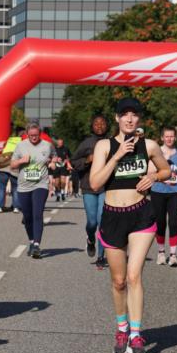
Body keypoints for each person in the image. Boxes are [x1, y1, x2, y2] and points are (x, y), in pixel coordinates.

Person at [89, 97, 170, 353]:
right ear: (117, 118)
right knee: (119, 280)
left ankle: (136, 335)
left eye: (134, 115)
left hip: (141, 215)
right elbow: (95, 183)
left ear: (139, 119)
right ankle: (122, 328)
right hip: (113, 216)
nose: (130, 119)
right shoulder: (104, 146)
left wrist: (154, 176)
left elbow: (166, 170)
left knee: (134, 275)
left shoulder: (149, 145)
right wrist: (117, 155)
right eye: (125, 114)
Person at [72, 114, 110, 269]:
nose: (99, 126)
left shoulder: (111, 142)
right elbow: (74, 162)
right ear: (92, 126)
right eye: (96, 124)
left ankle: (101, 256)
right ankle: (90, 239)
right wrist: (87, 160)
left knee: (103, 222)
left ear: (107, 126)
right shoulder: (86, 143)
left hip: (106, 187)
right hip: (89, 186)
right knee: (92, 222)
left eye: (102, 123)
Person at [10, 122, 54, 258]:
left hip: (41, 184)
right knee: (28, 217)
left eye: (36, 135)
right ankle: (31, 240)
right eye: (31, 136)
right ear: (27, 135)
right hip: (23, 186)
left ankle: (36, 245)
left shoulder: (47, 145)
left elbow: (53, 157)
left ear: (39, 134)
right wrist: (21, 161)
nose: (33, 138)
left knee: (37, 214)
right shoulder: (20, 146)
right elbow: (12, 165)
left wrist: (52, 162)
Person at [150, 127, 177, 267]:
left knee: (173, 222)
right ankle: (160, 253)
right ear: (162, 138)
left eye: (172, 136)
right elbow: (150, 170)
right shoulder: (155, 152)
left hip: (175, 192)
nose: (169, 139)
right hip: (158, 191)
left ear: (175, 138)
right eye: (166, 136)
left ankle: (173, 255)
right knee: (160, 223)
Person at [0, 131, 23, 213]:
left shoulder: (7, 141)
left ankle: (0, 207)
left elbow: (0, 151)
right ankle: (16, 207)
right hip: (14, 167)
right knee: (15, 188)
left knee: (1, 188)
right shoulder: (22, 142)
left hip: (3, 167)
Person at [53, 136, 71, 201]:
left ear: (63, 143)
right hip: (56, 167)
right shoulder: (54, 149)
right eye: (59, 143)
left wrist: (67, 160)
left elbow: (69, 157)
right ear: (57, 143)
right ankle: (58, 194)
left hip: (63, 166)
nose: (60, 144)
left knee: (63, 181)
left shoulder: (66, 149)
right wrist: (56, 159)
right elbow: (51, 157)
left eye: (61, 143)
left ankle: (62, 193)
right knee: (57, 183)